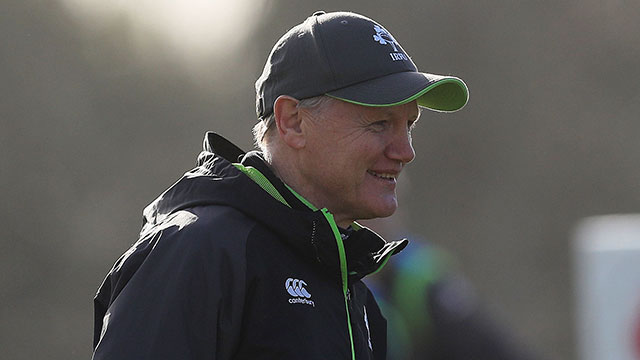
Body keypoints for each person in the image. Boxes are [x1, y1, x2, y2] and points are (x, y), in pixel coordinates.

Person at [92, 10, 468, 360]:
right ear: (292, 121)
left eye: (409, 126)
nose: (405, 151)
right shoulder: (198, 251)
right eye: (379, 124)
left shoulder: (353, 287)